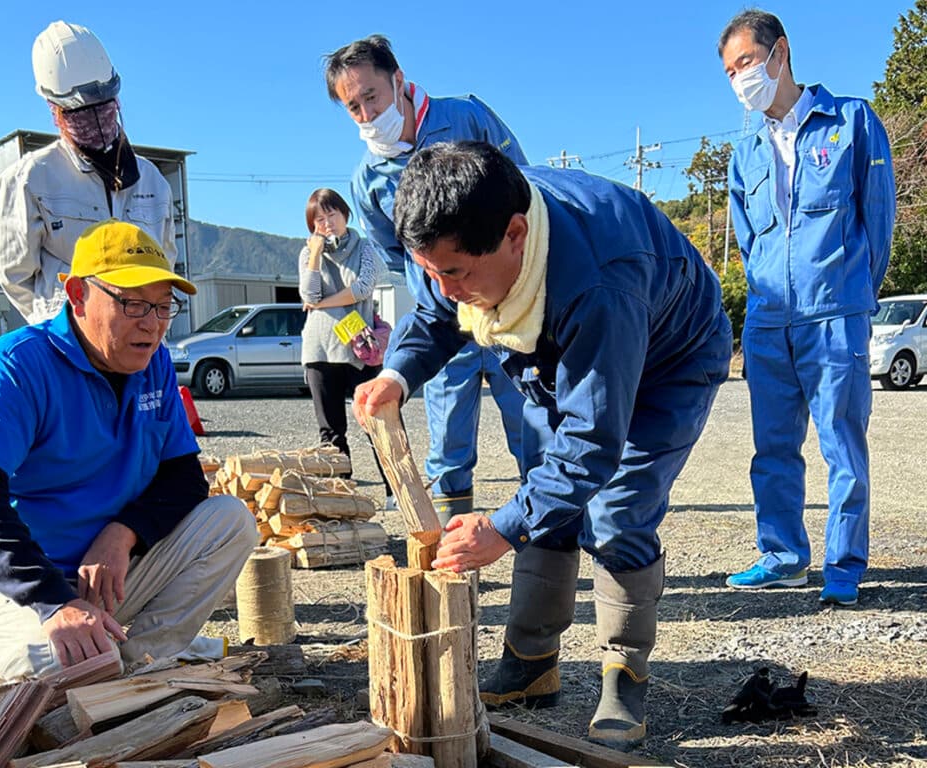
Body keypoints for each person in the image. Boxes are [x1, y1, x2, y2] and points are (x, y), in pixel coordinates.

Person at [353, 142, 732, 747]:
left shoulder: (603, 279)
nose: (444, 289)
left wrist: (503, 528)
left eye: (456, 274)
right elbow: (435, 313)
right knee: (543, 490)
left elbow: (592, 441)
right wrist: (396, 375)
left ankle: (624, 673)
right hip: (557, 354)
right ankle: (531, 662)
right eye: (431, 270)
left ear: (516, 235)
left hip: (668, 363)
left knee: (616, 511)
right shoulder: (460, 226)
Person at [0, 220, 257, 683]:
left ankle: (139, 666)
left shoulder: (154, 364)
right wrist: (53, 602)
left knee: (230, 521)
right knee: (64, 668)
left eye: (164, 306)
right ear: (78, 295)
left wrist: (124, 533)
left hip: (98, 575)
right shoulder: (17, 365)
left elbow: (183, 478)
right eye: (133, 304)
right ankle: (96, 662)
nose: (152, 324)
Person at [719, 9, 896, 606]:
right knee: (772, 448)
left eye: (746, 62)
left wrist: (852, 295)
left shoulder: (852, 122)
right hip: (769, 321)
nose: (740, 79)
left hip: (834, 314)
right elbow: (749, 243)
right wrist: (764, 300)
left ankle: (843, 567)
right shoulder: (744, 152)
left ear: (780, 52)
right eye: (730, 72)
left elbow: (878, 220)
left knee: (842, 444)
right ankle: (782, 555)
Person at [323, 35, 527, 523]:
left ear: (398, 80)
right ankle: (451, 547)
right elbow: (397, 254)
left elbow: (526, 188)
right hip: (445, 320)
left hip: (512, 308)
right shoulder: (367, 179)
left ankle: (544, 539)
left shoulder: (466, 118)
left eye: (371, 96)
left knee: (532, 424)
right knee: (448, 444)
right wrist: (441, 285)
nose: (367, 114)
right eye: (353, 108)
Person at [0, 20, 177, 324]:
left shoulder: (152, 181)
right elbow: (15, 274)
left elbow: (165, 264)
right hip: (70, 341)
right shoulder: (30, 179)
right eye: (81, 110)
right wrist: (62, 325)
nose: (97, 118)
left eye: (103, 104)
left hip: (141, 337)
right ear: (54, 109)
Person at [298, 188, 392, 504]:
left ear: (345, 214)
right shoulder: (306, 254)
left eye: (332, 214)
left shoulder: (364, 247)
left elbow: (362, 288)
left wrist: (322, 304)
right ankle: (341, 495)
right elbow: (308, 294)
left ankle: (396, 490)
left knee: (378, 422)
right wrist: (314, 254)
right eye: (319, 220)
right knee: (331, 431)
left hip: (358, 349)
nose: (327, 224)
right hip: (319, 350)